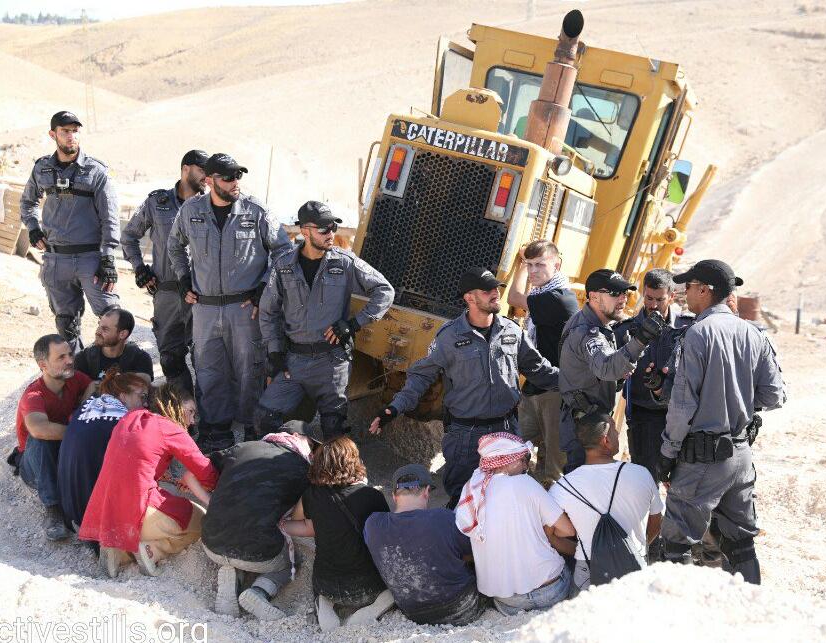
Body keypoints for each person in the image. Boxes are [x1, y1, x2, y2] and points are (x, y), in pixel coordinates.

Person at [369, 267, 559, 507]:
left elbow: (539, 369)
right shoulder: (449, 337)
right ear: (469, 297)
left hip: (507, 429)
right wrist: (395, 408)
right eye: (487, 290)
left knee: (508, 499)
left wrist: (577, 383)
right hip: (467, 437)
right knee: (462, 502)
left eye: (496, 288)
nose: (495, 293)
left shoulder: (512, 331)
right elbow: (420, 377)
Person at [657, 259, 786, 585]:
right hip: (740, 456)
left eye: (688, 287)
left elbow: (683, 407)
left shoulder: (697, 334)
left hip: (702, 459)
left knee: (676, 543)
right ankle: (749, 612)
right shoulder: (754, 333)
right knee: (741, 541)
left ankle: (676, 620)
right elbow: (774, 396)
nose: (685, 294)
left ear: (705, 289)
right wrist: (738, 406)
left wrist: (667, 455)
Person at [167, 153, 292, 451]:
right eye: (228, 177)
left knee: (250, 368)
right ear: (209, 180)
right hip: (206, 308)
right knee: (209, 369)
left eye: (238, 176)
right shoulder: (191, 210)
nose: (235, 183)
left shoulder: (256, 211)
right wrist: (184, 279)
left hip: (244, 309)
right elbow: (174, 246)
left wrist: (265, 288)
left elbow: (283, 251)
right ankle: (216, 431)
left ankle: (252, 428)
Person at [254, 201, 394, 441]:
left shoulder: (344, 262)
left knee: (333, 429)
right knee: (264, 417)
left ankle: (331, 473)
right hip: (294, 362)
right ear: (305, 231)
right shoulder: (283, 265)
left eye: (333, 228)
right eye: (324, 229)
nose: (331, 234)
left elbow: (385, 290)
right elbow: (268, 312)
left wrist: (353, 324)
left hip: (332, 362)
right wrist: (275, 352)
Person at [79, 384, 217, 578]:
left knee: (162, 500)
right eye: (191, 411)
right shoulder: (171, 428)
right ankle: (153, 550)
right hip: (139, 511)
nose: (192, 421)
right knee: (200, 521)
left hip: (106, 512)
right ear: (175, 405)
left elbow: (134, 464)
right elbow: (206, 472)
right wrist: (216, 483)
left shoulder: (130, 417)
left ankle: (118, 551)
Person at [20, 110, 120, 351]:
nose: (71, 136)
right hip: (55, 260)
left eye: (75, 131)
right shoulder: (42, 168)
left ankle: (116, 374)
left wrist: (108, 257)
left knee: (112, 318)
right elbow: (28, 202)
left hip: (90, 259)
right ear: (53, 134)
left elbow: (110, 217)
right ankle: (77, 373)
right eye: (65, 131)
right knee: (66, 324)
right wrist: (33, 228)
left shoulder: (96, 171)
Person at [201, 424, 321, 620]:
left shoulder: (243, 447)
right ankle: (259, 591)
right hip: (258, 552)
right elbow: (298, 517)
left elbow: (191, 473)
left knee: (242, 530)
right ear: (297, 436)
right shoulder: (303, 468)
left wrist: (212, 501)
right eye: (311, 445)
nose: (313, 452)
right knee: (291, 562)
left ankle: (232, 576)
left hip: (211, 543)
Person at [455, 432, 576, 616]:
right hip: (550, 592)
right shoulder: (525, 483)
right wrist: (546, 532)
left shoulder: (471, 491)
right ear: (508, 461)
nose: (526, 466)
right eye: (523, 461)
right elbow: (567, 530)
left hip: (507, 602)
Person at [280, 436, 393, 631]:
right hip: (369, 585)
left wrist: (280, 525)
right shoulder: (372, 496)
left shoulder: (312, 495)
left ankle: (325, 604)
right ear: (354, 461)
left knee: (325, 585)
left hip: (327, 584)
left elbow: (301, 521)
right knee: (392, 592)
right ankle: (372, 609)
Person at [558, 269, 665, 472]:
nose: (623, 299)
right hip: (585, 427)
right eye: (615, 293)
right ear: (594, 297)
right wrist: (641, 340)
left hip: (589, 421)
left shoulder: (600, 325)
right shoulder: (587, 332)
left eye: (625, 293)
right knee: (582, 490)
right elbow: (606, 368)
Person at [120, 149, 208, 393]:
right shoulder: (157, 202)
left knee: (206, 358)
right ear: (186, 169)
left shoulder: (211, 206)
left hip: (203, 296)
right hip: (167, 293)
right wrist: (139, 268)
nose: (206, 178)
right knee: (170, 357)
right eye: (202, 171)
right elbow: (128, 236)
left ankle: (210, 415)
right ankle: (183, 410)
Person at [549, 411, 662, 591]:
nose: (618, 434)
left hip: (589, 571)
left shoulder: (562, 487)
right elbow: (656, 522)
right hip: (634, 566)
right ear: (606, 440)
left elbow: (551, 536)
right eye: (615, 431)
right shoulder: (642, 474)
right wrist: (637, 546)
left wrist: (582, 551)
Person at [363, 465, 483, 626]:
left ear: (394, 496)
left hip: (414, 614)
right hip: (462, 608)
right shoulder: (444, 518)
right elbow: (474, 553)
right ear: (426, 491)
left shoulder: (373, 524)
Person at [506, 240, 579, 486]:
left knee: (553, 467)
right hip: (537, 386)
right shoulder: (544, 294)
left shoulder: (557, 299)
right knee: (515, 451)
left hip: (555, 391)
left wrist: (517, 263)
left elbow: (515, 296)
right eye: (529, 265)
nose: (533, 271)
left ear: (557, 265)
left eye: (540, 264)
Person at [13, 333, 95, 540]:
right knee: (41, 438)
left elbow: (92, 385)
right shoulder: (33, 395)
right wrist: (79, 431)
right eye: (61, 357)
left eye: (69, 354)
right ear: (43, 365)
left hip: (61, 455)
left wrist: (82, 405)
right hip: (34, 466)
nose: (69, 360)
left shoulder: (73, 379)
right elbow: (38, 428)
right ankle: (53, 508)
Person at [57, 367, 149, 532]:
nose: (146, 403)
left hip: (70, 511)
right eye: (142, 397)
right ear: (123, 395)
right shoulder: (123, 421)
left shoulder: (88, 407)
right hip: (96, 522)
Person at [623, 269, 693, 480]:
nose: (653, 305)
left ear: (671, 296)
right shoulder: (627, 330)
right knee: (646, 482)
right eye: (648, 298)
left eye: (659, 299)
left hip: (680, 416)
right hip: (643, 417)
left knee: (680, 483)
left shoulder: (688, 327)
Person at [74, 308, 154, 385]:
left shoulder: (140, 359)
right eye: (99, 326)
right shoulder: (83, 357)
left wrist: (95, 384)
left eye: (105, 329)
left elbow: (143, 385)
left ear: (122, 334)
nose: (97, 332)